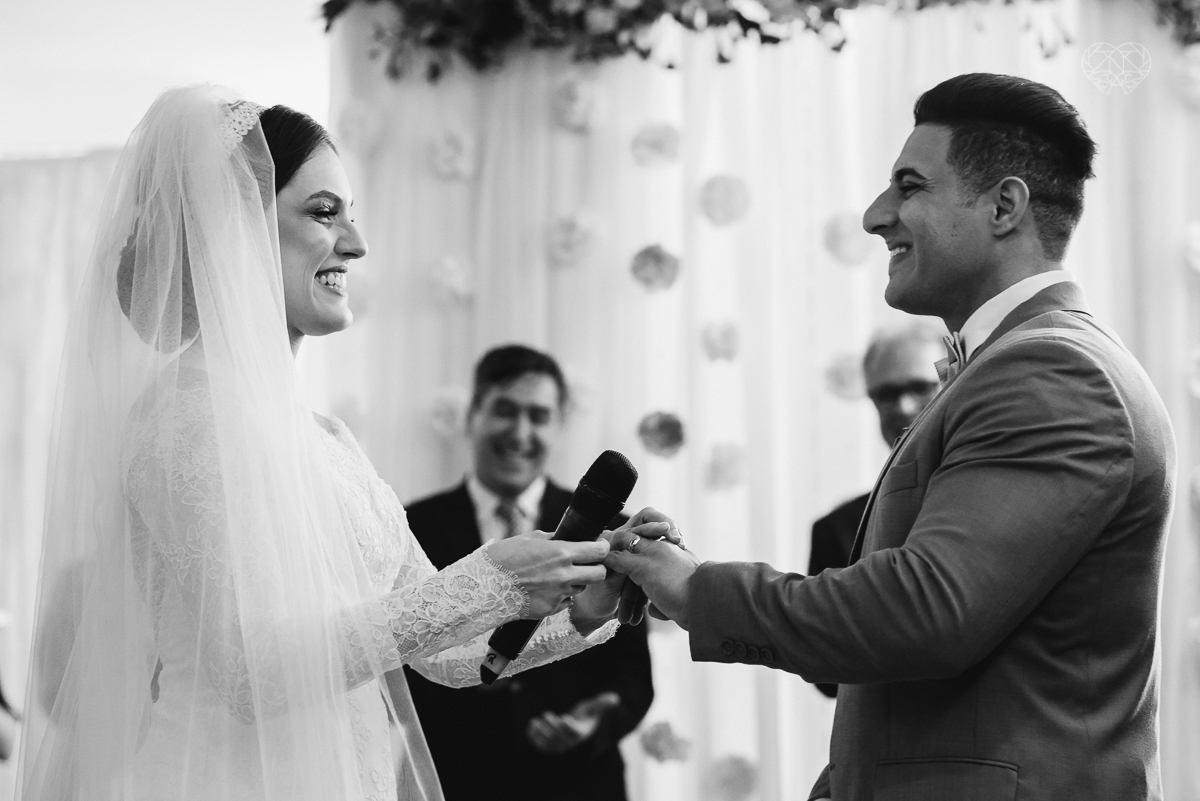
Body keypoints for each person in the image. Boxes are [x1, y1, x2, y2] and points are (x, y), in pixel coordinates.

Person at [18, 86, 632, 801]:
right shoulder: (185, 417)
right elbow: (248, 670)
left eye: (351, 215)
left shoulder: (330, 439)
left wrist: (585, 611)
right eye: (322, 212)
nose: (357, 243)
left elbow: (445, 652)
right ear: (234, 228)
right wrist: (492, 573)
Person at [605, 73, 1175, 801]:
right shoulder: (1016, 363)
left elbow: (926, 611)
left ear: (1004, 206)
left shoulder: (1054, 371)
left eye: (909, 186)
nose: (877, 215)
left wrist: (697, 590)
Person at [399, 344, 654, 801]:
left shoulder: (612, 533)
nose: (520, 432)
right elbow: (397, 663)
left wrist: (598, 717)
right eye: (505, 410)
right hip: (455, 781)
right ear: (472, 416)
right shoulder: (411, 527)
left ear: (558, 426)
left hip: (579, 785)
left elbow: (633, 674)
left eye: (538, 416)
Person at [807, 322, 942, 698]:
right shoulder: (836, 529)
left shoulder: (1000, 495)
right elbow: (824, 674)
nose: (903, 407)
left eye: (920, 387)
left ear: (955, 381)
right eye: (886, 394)